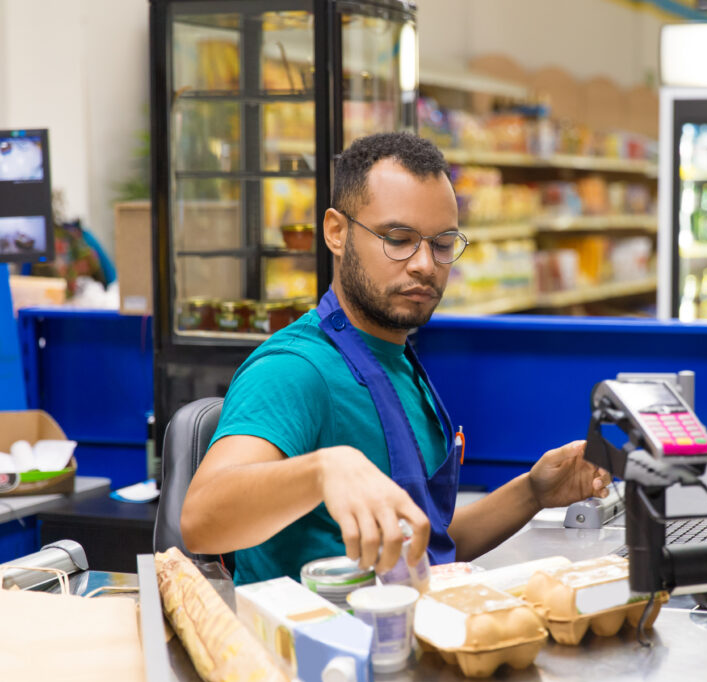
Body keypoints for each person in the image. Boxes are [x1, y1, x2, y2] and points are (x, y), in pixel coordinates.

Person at [180, 132, 610, 584]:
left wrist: (533, 492)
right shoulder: (297, 371)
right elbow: (201, 520)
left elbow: (426, 545)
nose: (425, 263)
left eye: (442, 244)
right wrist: (323, 470)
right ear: (336, 232)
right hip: (317, 649)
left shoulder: (397, 361)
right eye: (399, 238)